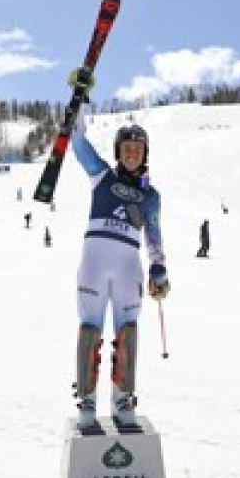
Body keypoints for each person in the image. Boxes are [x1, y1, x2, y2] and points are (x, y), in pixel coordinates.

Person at [67, 76, 169, 430]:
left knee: (128, 331)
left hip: (128, 266)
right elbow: (76, 140)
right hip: (95, 262)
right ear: (117, 152)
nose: (131, 153)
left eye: (137, 149)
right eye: (126, 148)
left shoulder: (150, 196)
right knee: (89, 331)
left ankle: (123, 399)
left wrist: (159, 270)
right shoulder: (101, 175)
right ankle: (87, 401)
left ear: (144, 155)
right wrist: (80, 97)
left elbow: (154, 235)